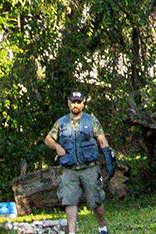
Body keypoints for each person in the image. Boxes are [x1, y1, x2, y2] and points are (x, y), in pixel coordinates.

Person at [45, 91, 116, 234]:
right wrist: (57, 146)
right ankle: (71, 232)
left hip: (89, 168)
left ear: (83, 103)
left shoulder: (91, 121)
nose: (75, 104)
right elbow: (48, 139)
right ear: (68, 103)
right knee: (69, 201)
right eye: (73, 102)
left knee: (95, 201)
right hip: (69, 170)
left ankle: (102, 227)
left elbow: (102, 140)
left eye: (78, 102)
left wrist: (109, 161)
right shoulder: (61, 122)